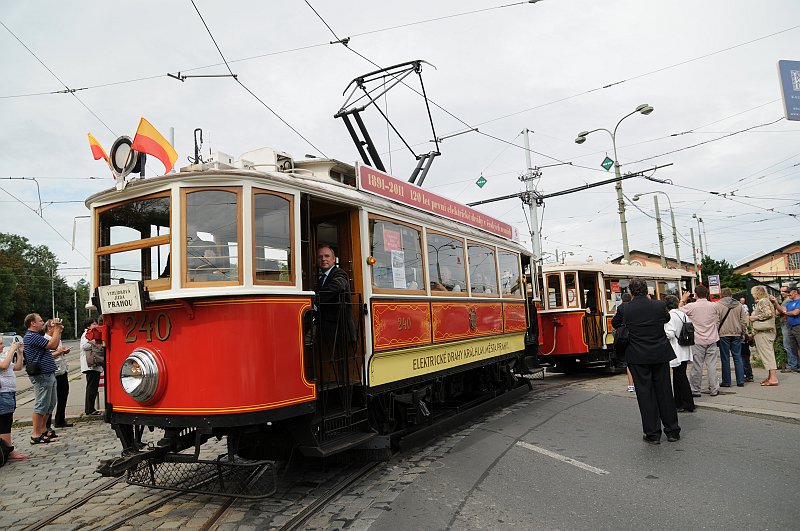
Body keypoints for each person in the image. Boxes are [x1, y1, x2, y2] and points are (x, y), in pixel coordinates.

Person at [611, 278, 680, 444]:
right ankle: (672, 431)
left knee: (645, 394)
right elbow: (666, 319)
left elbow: (615, 323)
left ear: (630, 292)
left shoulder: (624, 308)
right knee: (664, 391)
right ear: (647, 290)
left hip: (637, 355)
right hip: (659, 354)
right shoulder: (658, 305)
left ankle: (653, 434)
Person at [23, 313, 63, 444]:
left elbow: (55, 344)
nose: (42, 323)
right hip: (41, 375)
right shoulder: (32, 336)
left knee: (50, 404)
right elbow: (52, 345)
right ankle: (36, 434)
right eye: (40, 321)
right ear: (32, 323)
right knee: (41, 404)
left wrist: (58, 331)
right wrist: (56, 329)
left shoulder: (36, 336)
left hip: (47, 373)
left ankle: (43, 429)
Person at [680, 285, 721, 397]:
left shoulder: (691, 306)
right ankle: (714, 389)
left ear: (695, 294)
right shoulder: (714, 306)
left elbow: (678, 312)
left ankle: (695, 389)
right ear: (707, 294)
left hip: (697, 339)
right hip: (712, 338)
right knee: (712, 365)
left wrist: (683, 300)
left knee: (697, 366)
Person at [316, 245, 356, 352]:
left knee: (340, 364)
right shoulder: (321, 279)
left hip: (339, 329)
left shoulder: (339, 273)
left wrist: (315, 301)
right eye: (320, 257)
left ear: (334, 259)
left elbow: (338, 286)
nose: (323, 259)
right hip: (328, 329)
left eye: (327, 256)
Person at [664, 295, 695, 412]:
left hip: (676, 348)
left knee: (680, 376)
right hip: (685, 348)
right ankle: (678, 402)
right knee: (679, 376)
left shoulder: (670, 316)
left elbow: (670, 334)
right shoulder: (683, 314)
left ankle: (687, 403)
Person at [0, 338, 28, 460]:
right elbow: (4, 365)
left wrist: (20, 353)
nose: (2, 345)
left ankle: (6, 449)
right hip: (2, 393)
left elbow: (17, 367)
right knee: (5, 421)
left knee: (7, 419)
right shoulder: (3, 358)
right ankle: (8, 451)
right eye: (0, 343)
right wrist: (11, 350)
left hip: (8, 392)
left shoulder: (2, 356)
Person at [716, 288, 748, 387]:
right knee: (737, 357)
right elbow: (744, 320)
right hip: (736, 333)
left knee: (725, 358)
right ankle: (740, 380)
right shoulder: (739, 305)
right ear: (731, 295)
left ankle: (726, 381)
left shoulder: (718, 305)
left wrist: (716, 332)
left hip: (723, 333)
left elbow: (716, 321)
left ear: (722, 295)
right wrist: (743, 332)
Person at [44, 320, 73, 429]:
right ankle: (46, 424)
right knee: (51, 400)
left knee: (63, 396)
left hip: (62, 371)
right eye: (55, 326)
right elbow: (47, 356)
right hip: (53, 373)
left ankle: (60, 419)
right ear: (49, 328)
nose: (59, 328)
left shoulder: (57, 338)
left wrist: (63, 351)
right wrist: (60, 351)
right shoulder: (45, 339)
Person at [751, 285, 779, 386]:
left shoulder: (763, 301)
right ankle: (770, 377)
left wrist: (754, 317)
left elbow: (768, 314)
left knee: (768, 354)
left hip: (764, 332)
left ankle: (773, 378)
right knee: (767, 354)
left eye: (753, 293)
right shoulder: (764, 301)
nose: (752, 295)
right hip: (764, 332)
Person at [772, 284, 800, 373]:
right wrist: (776, 302)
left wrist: (785, 312)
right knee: (793, 347)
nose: (787, 294)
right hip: (790, 327)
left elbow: (795, 313)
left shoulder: (799, 301)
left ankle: (795, 365)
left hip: (798, 326)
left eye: (789, 292)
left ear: (795, 292)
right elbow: (780, 310)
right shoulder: (789, 302)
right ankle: (795, 366)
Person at [80, 318, 103, 416]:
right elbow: (83, 346)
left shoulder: (93, 332)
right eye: (94, 324)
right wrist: (93, 342)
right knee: (91, 387)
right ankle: (89, 409)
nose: (96, 325)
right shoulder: (87, 334)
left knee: (93, 387)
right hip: (90, 365)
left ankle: (91, 408)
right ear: (88, 326)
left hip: (94, 364)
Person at [619, 293, 636, 393]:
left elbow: (615, 322)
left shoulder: (621, 308)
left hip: (627, 338)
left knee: (630, 362)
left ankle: (631, 385)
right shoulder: (635, 309)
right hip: (637, 338)